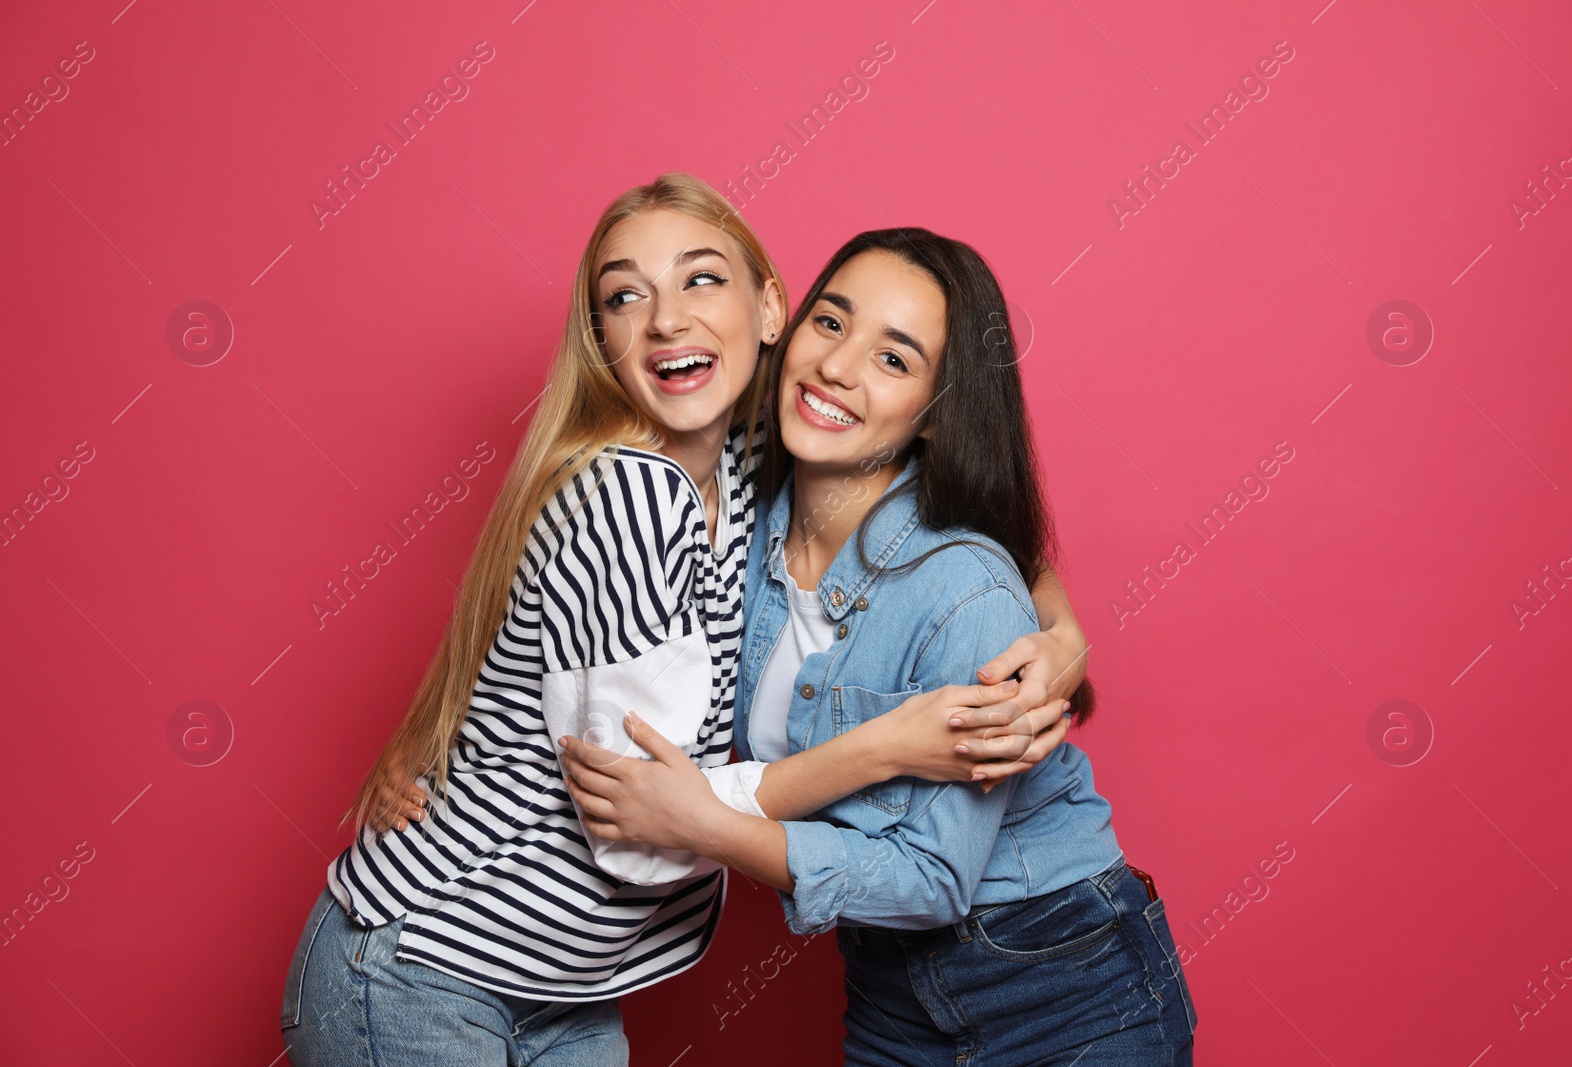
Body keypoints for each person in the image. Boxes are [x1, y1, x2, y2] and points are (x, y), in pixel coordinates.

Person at [280, 175, 1092, 1066]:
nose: (665, 319)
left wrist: (1059, 630)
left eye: (699, 279)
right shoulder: (635, 492)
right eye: (625, 296)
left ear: (768, 306)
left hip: (566, 985)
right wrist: (889, 745)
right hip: (431, 963)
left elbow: (962, 499)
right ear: (603, 343)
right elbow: (645, 829)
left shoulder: (752, 453)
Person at [563, 228, 1198, 1065]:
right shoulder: (733, 513)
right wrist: (423, 744)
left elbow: (932, 881)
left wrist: (707, 824)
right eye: (830, 324)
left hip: (1066, 981)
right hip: (891, 992)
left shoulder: (965, 591)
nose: (837, 367)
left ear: (936, 415)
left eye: (893, 360)